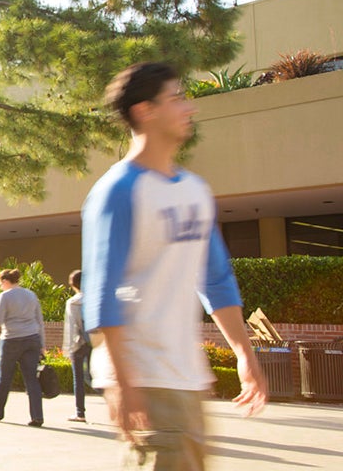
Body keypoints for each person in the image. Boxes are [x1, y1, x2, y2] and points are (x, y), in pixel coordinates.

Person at [81, 62, 268, 469]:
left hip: (190, 381)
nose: (190, 107)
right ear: (145, 110)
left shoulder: (195, 191)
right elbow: (102, 292)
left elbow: (216, 279)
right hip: (145, 382)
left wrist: (245, 355)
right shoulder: (117, 192)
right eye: (178, 97)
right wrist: (125, 384)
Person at [0, 268, 45, 427]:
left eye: (0, 284)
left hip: (11, 339)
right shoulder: (31, 295)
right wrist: (42, 345)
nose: (0, 287)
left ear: (5, 281)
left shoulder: (4, 296)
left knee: (4, 378)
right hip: (32, 339)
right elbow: (40, 321)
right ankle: (37, 416)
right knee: (32, 379)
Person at [62, 269, 91, 423]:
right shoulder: (93, 299)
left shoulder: (73, 302)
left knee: (78, 379)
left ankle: (80, 413)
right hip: (94, 341)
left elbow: (71, 326)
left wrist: (69, 347)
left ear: (73, 285)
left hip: (79, 343)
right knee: (95, 377)